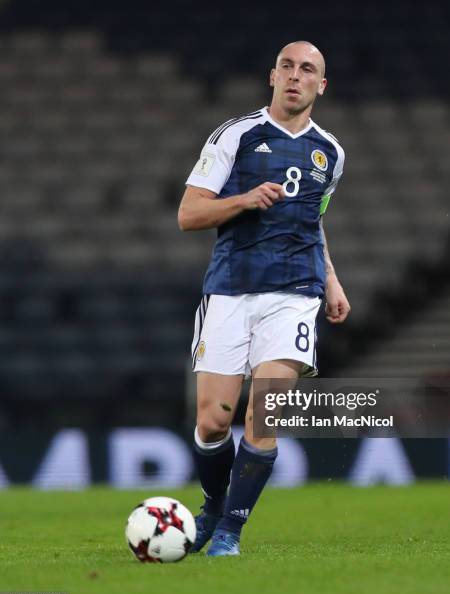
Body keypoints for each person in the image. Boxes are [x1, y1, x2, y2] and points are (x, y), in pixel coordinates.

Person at [178, 41, 350, 556]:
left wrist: (332, 280)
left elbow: (312, 221)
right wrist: (244, 200)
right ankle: (214, 504)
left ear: (322, 86)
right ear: (272, 76)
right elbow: (189, 214)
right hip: (230, 287)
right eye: (288, 67)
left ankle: (229, 530)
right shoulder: (236, 135)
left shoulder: (331, 153)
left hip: (295, 293)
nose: (296, 76)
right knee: (212, 421)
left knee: (265, 412)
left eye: (308, 70)